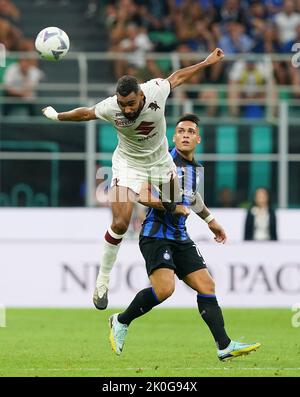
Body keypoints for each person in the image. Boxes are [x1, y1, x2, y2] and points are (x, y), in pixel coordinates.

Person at [42, 47, 225, 310]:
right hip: (127, 165)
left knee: (178, 206)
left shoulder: (156, 91)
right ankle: (102, 282)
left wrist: (207, 62)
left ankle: (182, 263)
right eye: (122, 104)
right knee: (120, 222)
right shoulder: (111, 107)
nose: (127, 109)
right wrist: (57, 116)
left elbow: (178, 77)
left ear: (141, 95)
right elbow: (85, 113)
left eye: (131, 104)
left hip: (161, 163)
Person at [108, 114, 261, 361]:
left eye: (191, 131)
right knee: (165, 289)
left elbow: (193, 199)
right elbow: (141, 194)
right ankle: (121, 320)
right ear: (174, 136)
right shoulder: (162, 161)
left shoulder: (195, 169)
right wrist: (172, 207)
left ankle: (224, 345)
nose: (186, 135)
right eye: (181, 131)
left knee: (207, 285)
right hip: (155, 235)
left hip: (180, 237)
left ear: (198, 139)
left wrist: (212, 222)